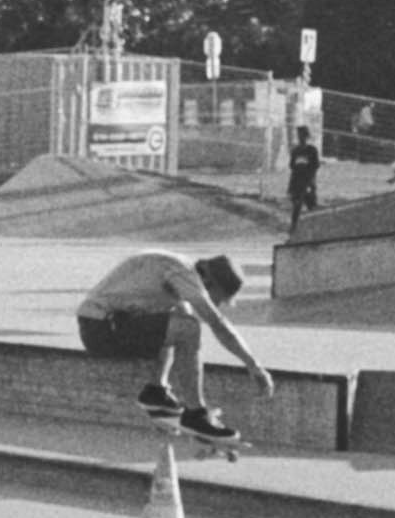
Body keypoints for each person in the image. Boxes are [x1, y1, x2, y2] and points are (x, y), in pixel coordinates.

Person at [77, 251, 274, 440]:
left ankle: (156, 392)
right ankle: (196, 414)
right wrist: (253, 365)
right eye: (218, 298)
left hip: (104, 324)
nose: (217, 304)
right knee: (188, 328)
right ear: (209, 283)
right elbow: (218, 323)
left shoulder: (176, 269)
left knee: (181, 318)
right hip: (102, 328)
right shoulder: (183, 274)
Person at [286, 128, 323, 228]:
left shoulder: (312, 150)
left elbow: (315, 167)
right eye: (299, 136)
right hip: (297, 183)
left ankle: (315, 229)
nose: (301, 138)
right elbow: (293, 168)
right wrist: (290, 187)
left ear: (307, 137)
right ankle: (294, 230)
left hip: (308, 182)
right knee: (296, 208)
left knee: (312, 207)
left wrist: (311, 181)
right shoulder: (296, 151)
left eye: (303, 136)